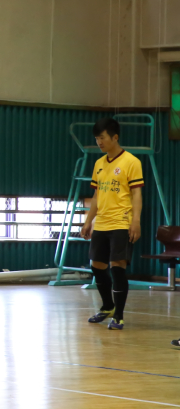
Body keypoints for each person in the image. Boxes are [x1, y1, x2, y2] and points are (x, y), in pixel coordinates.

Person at [81, 117, 144, 330]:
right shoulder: (99, 164)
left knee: (118, 268)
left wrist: (135, 222)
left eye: (102, 137)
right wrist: (88, 221)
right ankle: (107, 306)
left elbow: (136, 194)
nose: (99, 142)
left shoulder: (131, 162)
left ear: (114, 137)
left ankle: (119, 315)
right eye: (96, 138)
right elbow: (97, 196)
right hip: (102, 223)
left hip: (121, 222)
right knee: (97, 267)